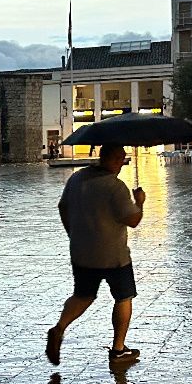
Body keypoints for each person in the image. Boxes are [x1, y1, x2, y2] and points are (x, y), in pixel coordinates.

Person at [46, 143, 144, 367]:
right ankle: (118, 350)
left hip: (81, 251)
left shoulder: (77, 178)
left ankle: (59, 328)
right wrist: (139, 202)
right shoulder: (115, 186)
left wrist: (73, 233)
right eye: (121, 158)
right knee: (123, 296)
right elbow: (133, 220)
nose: (122, 162)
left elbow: (63, 207)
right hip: (113, 255)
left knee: (83, 295)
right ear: (114, 159)